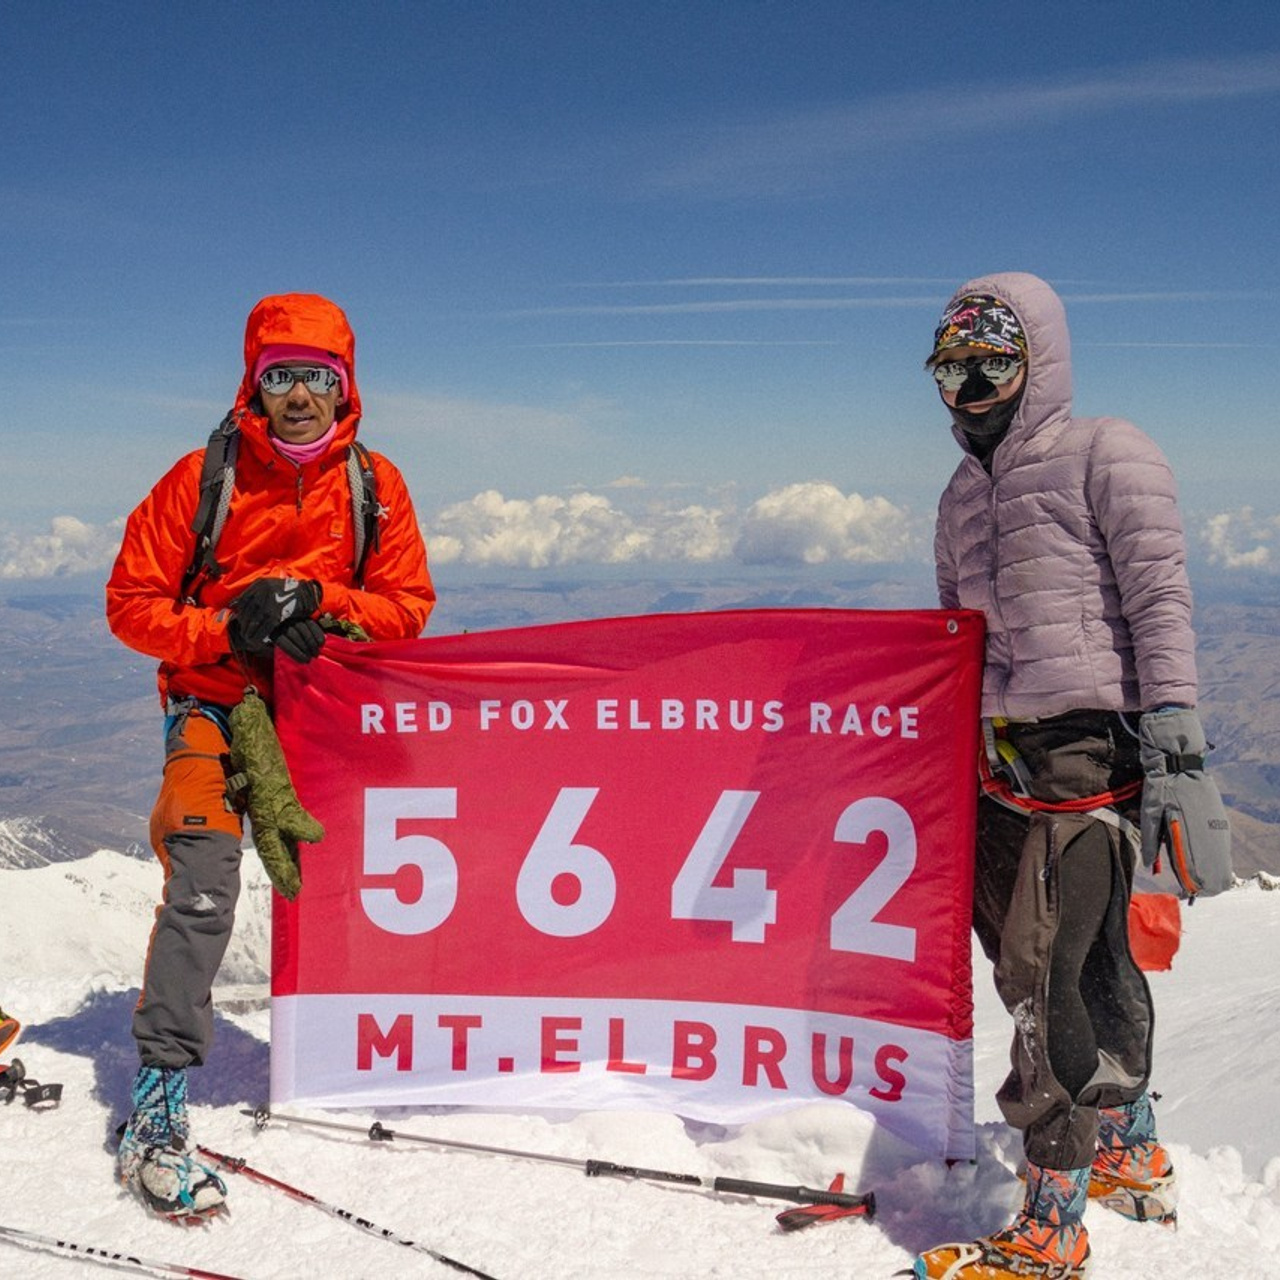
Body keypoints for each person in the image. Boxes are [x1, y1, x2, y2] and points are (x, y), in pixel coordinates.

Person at [106, 293, 435, 1219]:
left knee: (372, 871)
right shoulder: (199, 480)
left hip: (322, 710)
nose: (299, 395)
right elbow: (131, 603)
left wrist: (320, 602)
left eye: (317, 377)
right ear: (255, 384)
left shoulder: (375, 486)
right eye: (280, 375)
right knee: (205, 875)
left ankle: (363, 1045)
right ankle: (160, 1108)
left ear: (345, 388)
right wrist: (224, 627)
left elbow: (407, 604)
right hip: (213, 705)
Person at [912, 273, 1208, 1279]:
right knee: (1067, 962)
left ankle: (1050, 1218)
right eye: (950, 368)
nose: (969, 386)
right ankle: (1129, 1147)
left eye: (991, 361)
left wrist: (1174, 738)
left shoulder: (1104, 452)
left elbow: (1158, 596)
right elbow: (958, 637)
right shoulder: (956, 496)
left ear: (1033, 360)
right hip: (998, 756)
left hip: (1088, 753)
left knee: (1041, 979)